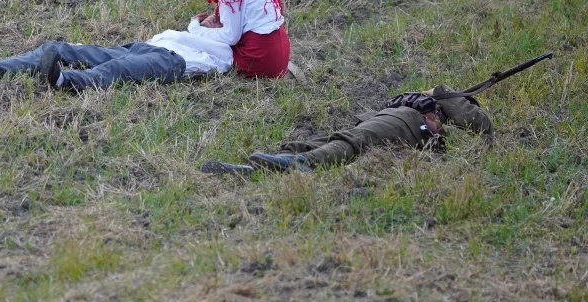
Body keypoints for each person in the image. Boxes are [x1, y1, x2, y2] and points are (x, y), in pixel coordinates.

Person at [200, 85, 493, 175]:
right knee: (324, 140)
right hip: (394, 120)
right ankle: (258, 168)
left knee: (354, 140)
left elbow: (482, 125)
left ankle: (304, 164)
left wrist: (442, 92)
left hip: (410, 124)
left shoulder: (450, 103)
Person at [0, 26, 236, 92]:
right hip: (144, 46)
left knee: (115, 69)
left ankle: (64, 81)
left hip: (173, 63)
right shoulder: (203, 25)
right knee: (62, 47)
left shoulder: (228, 46)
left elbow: (234, 47)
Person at [177, 0, 291, 79]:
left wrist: (196, 29)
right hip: (280, 56)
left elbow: (230, 37)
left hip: (259, 60)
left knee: (201, 52)